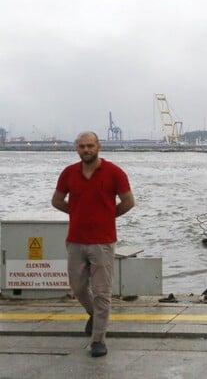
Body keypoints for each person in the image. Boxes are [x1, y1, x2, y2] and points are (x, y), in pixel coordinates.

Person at [51, 131, 135, 358]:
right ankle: (93, 314)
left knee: (101, 291)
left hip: (103, 242)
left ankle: (98, 339)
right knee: (77, 287)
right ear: (76, 148)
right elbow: (57, 200)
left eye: (90, 146)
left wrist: (108, 216)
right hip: (75, 240)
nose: (86, 150)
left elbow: (128, 201)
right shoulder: (69, 173)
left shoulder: (114, 172)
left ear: (98, 146)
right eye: (82, 146)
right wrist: (78, 213)